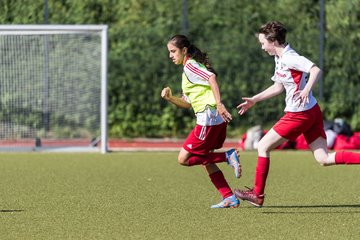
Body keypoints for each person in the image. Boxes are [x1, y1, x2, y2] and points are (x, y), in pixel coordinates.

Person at [234, 21, 360, 208]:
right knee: (323, 159)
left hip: (299, 115)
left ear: (273, 41)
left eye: (263, 43)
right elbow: (278, 86)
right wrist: (254, 99)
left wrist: (307, 89)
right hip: (311, 111)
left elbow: (315, 69)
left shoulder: (290, 57)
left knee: (262, 146)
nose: (262, 47)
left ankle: (257, 195)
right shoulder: (280, 58)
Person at [161, 34, 241, 208]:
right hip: (213, 119)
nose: (170, 55)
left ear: (184, 50)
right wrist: (170, 98)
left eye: (173, 51)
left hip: (208, 119)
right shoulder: (187, 71)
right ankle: (229, 197)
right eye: (169, 52)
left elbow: (211, 77)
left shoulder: (190, 66)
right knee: (205, 160)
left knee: (183, 159)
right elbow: (187, 104)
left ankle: (227, 156)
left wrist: (219, 103)